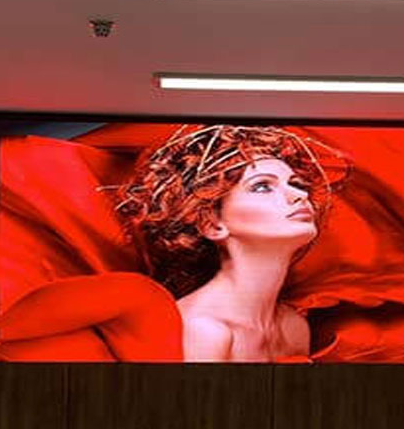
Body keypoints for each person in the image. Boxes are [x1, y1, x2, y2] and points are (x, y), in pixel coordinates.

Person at [114, 125, 339, 362]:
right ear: (212, 224)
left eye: (296, 184)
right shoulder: (203, 332)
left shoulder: (294, 328)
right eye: (262, 186)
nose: (300, 195)